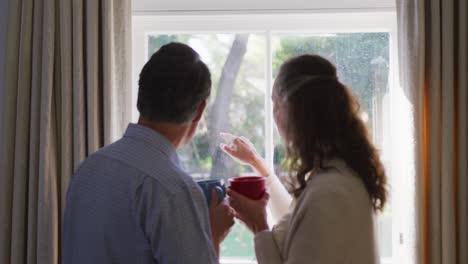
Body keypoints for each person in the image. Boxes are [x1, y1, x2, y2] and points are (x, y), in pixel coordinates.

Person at [62, 42, 234, 264]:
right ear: (200, 110)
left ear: (140, 96)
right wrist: (212, 236)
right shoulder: (172, 189)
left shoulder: (88, 169)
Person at [221, 54, 388, 264]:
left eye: (274, 102)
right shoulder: (338, 174)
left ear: (290, 108)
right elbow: (299, 226)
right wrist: (258, 165)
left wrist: (258, 225)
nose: (273, 114)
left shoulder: (328, 192)